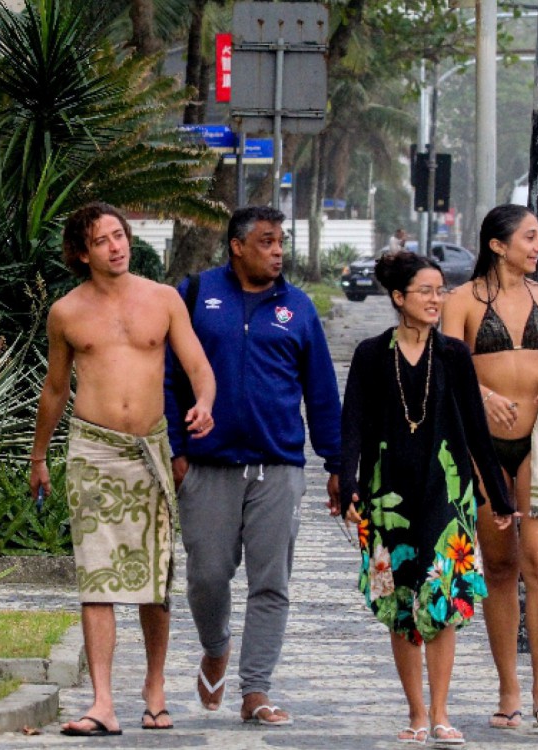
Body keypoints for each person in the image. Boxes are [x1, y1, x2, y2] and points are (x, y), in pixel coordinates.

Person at [30, 202, 216, 736]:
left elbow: (198, 366)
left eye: (120, 235)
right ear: (81, 253)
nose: (117, 246)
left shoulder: (163, 301)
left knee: (155, 580)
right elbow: (56, 389)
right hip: (92, 450)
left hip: (150, 450)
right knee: (97, 576)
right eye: (103, 240)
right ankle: (102, 702)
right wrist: (39, 457)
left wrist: (204, 402)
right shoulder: (66, 312)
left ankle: (154, 691)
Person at [164, 205, 342, 727]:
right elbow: (169, 378)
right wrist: (177, 449)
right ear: (237, 246)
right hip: (208, 465)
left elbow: (322, 393)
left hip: (278, 467)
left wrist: (335, 463)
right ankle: (215, 646)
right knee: (207, 576)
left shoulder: (299, 308)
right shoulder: (195, 296)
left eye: (280, 241)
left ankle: (255, 689)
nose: (277, 251)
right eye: (266, 241)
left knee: (271, 583)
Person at [337, 250, 515, 747]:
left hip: (447, 490)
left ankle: (440, 711)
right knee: (400, 603)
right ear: (399, 298)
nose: (437, 299)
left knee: (441, 597)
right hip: (386, 493)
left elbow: (477, 431)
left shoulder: (454, 355)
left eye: (441, 290)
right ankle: (415, 712)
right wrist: (348, 482)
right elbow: (352, 424)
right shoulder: (372, 354)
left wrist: (498, 496)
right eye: (426, 291)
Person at [440, 204, 538, 732]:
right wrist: (479, 394)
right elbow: (444, 368)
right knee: (498, 566)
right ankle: (509, 692)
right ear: (498, 244)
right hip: (483, 448)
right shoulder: (463, 301)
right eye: (530, 237)